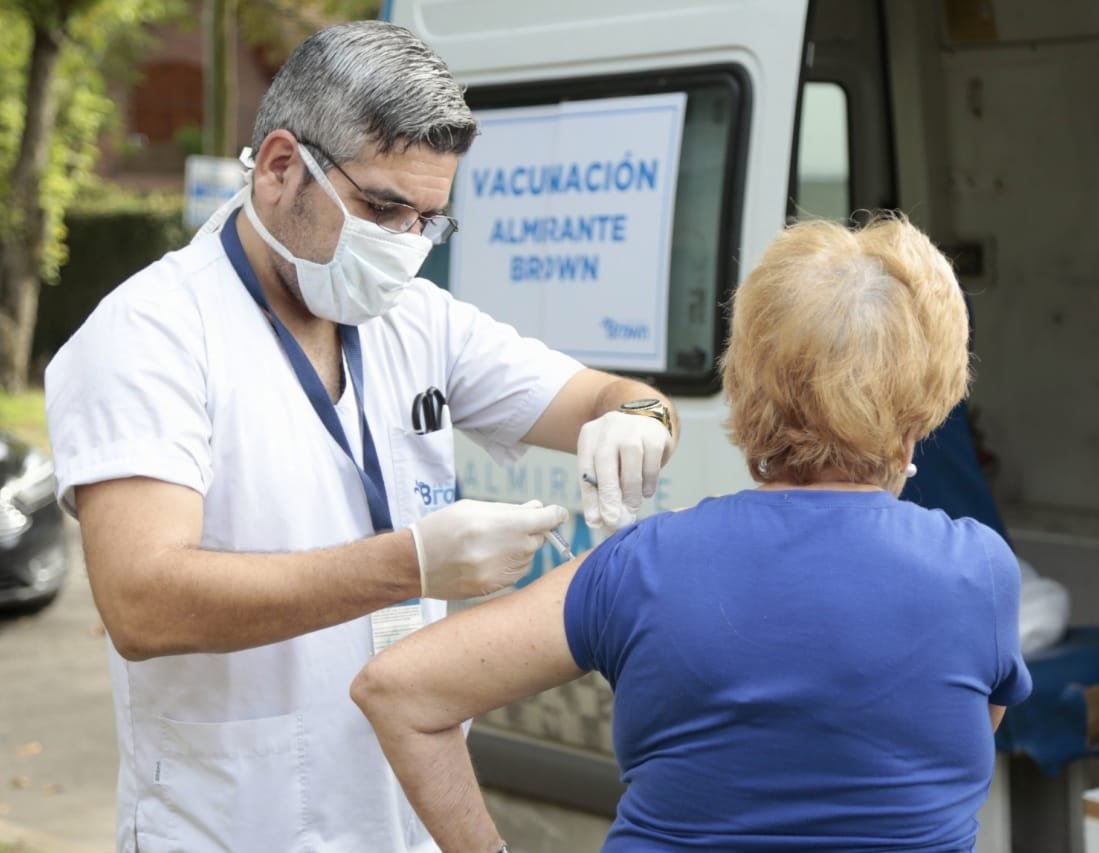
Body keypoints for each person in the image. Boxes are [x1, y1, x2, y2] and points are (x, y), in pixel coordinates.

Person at [44, 20, 678, 853]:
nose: (404, 247)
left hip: (398, 821)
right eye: (382, 207)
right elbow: (142, 602)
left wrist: (636, 420)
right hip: (231, 823)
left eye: (428, 219)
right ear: (279, 168)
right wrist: (408, 564)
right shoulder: (150, 334)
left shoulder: (414, 319)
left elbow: (607, 393)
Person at [353, 215, 1033, 852]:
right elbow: (964, 734)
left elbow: (399, 690)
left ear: (747, 387)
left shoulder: (643, 564)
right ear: (915, 416)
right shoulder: (979, 572)